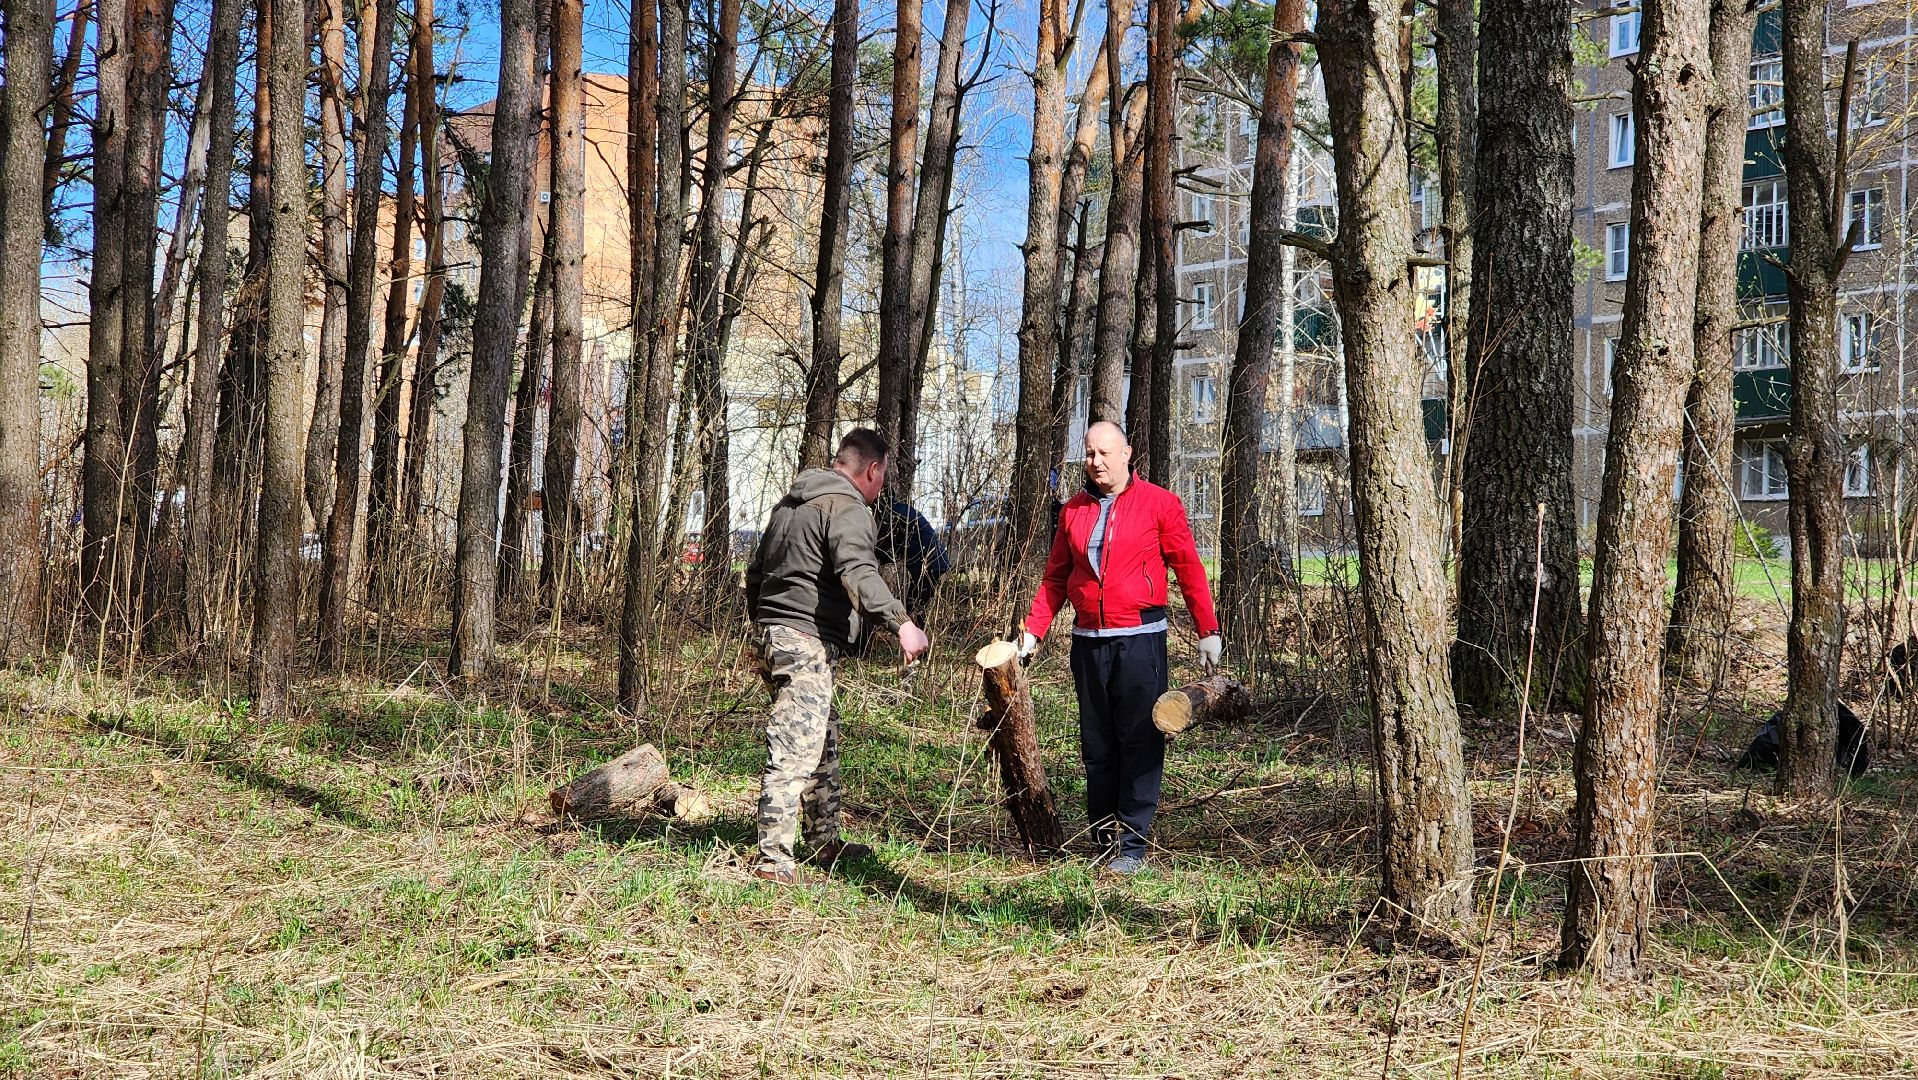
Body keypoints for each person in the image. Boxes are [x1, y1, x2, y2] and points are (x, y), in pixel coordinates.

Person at [1016, 421, 1221, 876]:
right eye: (1089, 454)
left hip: (1140, 640)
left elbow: (1188, 567)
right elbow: (1055, 579)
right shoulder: (1072, 511)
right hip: (1088, 643)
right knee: (1097, 746)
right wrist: (1033, 631)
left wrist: (1208, 628)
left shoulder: (1160, 504)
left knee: (1140, 740)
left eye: (1105, 453)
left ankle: (1132, 844)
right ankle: (1104, 838)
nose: (1096, 462)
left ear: (1128, 453)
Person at [744, 429, 932, 883]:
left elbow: (755, 570)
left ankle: (823, 839)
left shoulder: (792, 503)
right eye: (883, 477)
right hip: (802, 638)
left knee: (819, 736)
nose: (881, 487)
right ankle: (773, 859)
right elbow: (857, 570)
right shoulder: (846, 506)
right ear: (872, 470)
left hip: (774, 633)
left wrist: (764, 627)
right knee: (796, 745)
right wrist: (902, 623)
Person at [875, 497, 950, 619]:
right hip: (935, 562)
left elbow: (892, 543)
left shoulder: (895, 515)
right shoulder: (903, 510)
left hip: (929, 564)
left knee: (916, 603)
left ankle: (914, 631)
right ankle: (917, 628)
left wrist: (877, 554)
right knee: (917, 601)